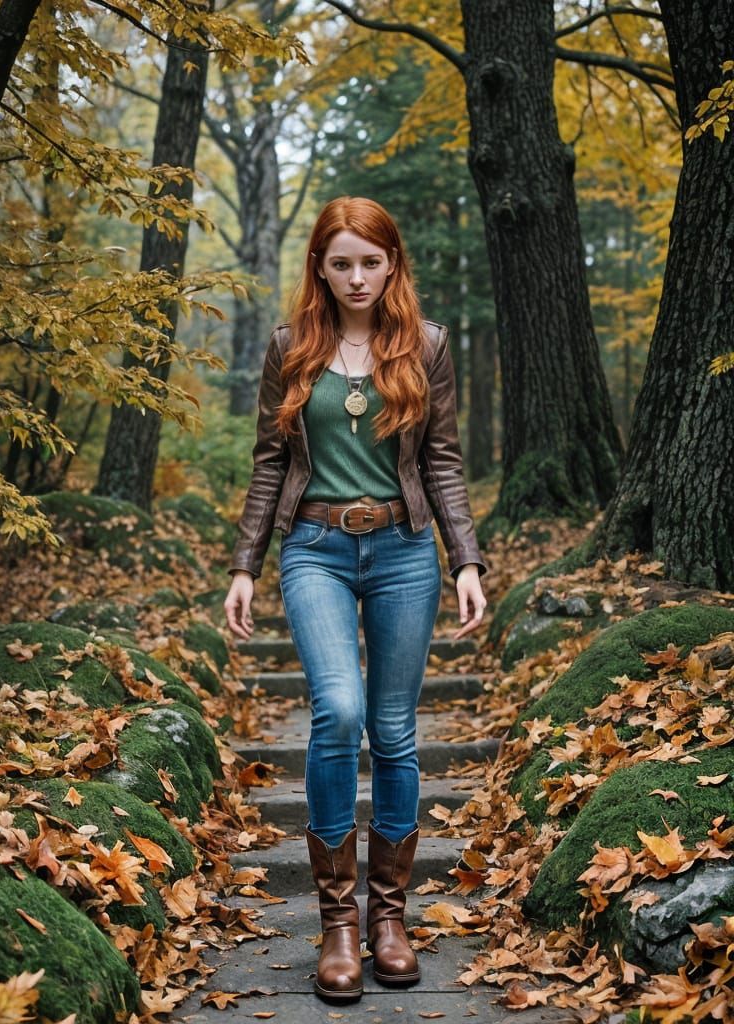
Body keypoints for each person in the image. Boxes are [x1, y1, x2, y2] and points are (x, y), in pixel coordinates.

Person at [224, 196, 488, 1004]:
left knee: (396, 730)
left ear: (392, 263)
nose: (357, 277)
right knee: (339, 710)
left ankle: (389, 921)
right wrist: (245, 564)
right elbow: (270, 462)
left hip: (405, 552)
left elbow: (442, 460)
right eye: (341, 263)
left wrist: (465, 560)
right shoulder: (290, 347)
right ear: (320, 267)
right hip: (314, 548)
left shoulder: (426, 345)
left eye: (371, 261)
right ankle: (339, 923)